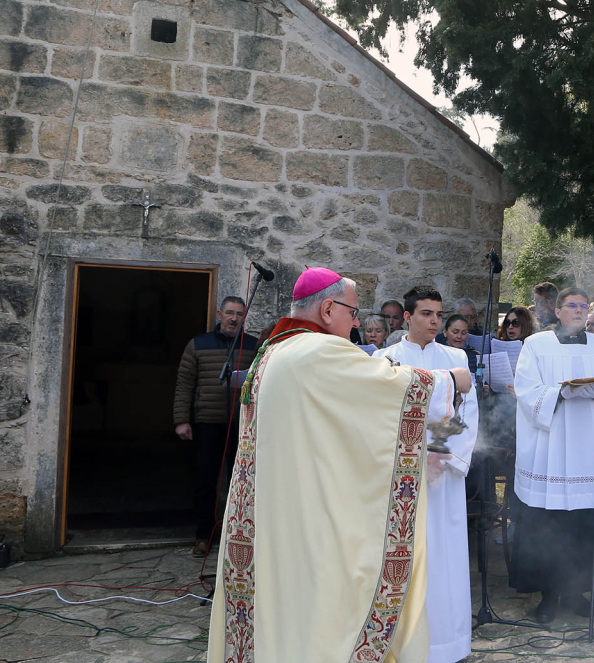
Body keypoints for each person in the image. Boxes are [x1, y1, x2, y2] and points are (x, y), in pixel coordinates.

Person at [206, 269, 472, 663]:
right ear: (328, 308)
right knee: (321, 601)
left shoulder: (274, 350)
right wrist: (450, 380)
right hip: (308, 510)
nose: (356, 322)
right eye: (352, 311)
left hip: (272, 508)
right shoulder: (320, 351)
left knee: (278, 604)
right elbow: (387, 389)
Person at [510, 287, 594, 623]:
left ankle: (576, 592)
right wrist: (561, 393)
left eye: (582, 306)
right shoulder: (536, 345)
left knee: (582, 523)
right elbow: (526, 390)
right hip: (551, 446)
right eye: (571, 305)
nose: (578, 310)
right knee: (549, 522)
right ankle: (548, 595)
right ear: (558, 311)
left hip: (590, 448)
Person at [377, 286, 480, 663]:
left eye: (438, 314)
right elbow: (381, 416)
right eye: (426, 313)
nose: (435, 321)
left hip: (443, 475)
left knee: (444, 558)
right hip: (402, 476)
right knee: (404, 556)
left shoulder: (455, 357)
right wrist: (418, 456)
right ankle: (401, 645)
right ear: (407, 317)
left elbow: (467, 412)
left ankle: (447, 645)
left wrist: (439, 454)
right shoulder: (385, 359)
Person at [173, 295, 259, 555]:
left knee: (241, 481)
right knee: (205, 480)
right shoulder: (198, 344)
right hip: (207, 422)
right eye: (230, 313)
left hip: (241, 424)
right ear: (219, 314)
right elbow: (185, 383)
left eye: (239, 314)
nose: (234, 319)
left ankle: (238, 534)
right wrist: (181, 420)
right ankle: (204, 535)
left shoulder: (254, 346)